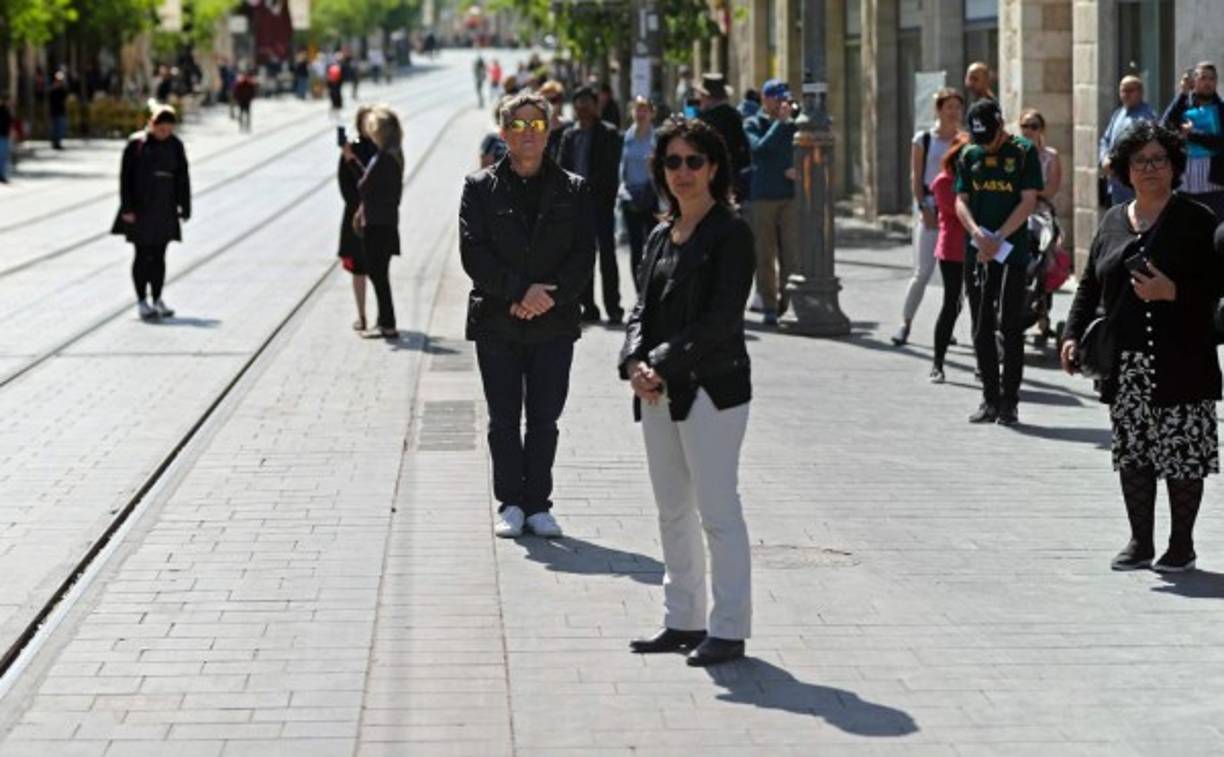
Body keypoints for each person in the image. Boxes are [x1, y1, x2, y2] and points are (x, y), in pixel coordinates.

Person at [618, 117, 756, 668]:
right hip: (657, 391)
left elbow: (722, 319)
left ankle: (728, 627)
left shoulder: (732, 233)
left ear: (714, 167)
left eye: (693, 162)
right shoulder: (658, 233)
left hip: (713, 391)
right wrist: (633, 361)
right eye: (672, 162)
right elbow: (638, 311)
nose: (682, 172)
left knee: (718, 511)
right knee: (672, 510)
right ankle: (683, 619)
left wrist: (659, 363)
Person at [1062, 120, 1221, 573]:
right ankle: (1139, 541)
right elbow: (1089, 284)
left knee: (1183, 452)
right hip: (1127, 362)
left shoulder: (1197, 221)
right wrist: (1072, 334)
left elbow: (1217, 291)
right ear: (1125, 171)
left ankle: (1182, 544)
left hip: (1184, 356)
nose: (1150, 168)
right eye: (1140, 161)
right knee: (1133, 450)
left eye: (1159, 160)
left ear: (1174, 167)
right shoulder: (1113, 221)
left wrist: (1173, 292)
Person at [459, 91, 596, 539]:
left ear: (549, 130)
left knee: (543, 417)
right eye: (517, 126)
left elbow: (582, 255)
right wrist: (519, 291)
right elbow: (473, 254)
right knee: (503, 418)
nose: (528, 134)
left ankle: (538, 503)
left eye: (536, 125)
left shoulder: (573, 189)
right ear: (504, 134)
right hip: (498, 320)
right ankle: (510, 502)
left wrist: (545, 298)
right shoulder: (479, 187)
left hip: (553, 322)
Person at [954, 99, 1042, 426]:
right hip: (978, 251)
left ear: (1001, 124)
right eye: (981, 138)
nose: (986, 143)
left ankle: (1009, 402)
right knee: (981, 325)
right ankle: (989, 398)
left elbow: (1028, 200)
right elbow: (960, 201)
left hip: (1011, 251)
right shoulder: (968, 154)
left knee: (1010, 324)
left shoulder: (1022, 152)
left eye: (990, 136)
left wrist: (1000, 237)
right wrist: (978, 235)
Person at [891, 87, 965, 345]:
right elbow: (916, 176)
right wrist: (924, 208)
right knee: (922, 272)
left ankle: (948, 327)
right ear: (939, 110)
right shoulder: (923, 139)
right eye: (949, 107)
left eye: (958, 107)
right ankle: (905, 323)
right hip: (932, 211)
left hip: (957, 216)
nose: (954, 112)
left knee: (956, 280)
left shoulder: (964, 141)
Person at [110, 105, 191, 321]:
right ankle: (141, 301)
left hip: (165, 208)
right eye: (161, 128)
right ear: (151, 124)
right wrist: (127, 208)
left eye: (168, 129)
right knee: (142, 254)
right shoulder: (136, 144)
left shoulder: (175, 145)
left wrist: (185, 206)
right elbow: (125, 178)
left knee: (159, 256)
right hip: (140, 209)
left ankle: (157, 298)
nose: (164, 133)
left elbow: (182, 176)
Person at [560, 85, 624, 324]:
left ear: (596, 106)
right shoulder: (570, 135)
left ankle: (613, 307)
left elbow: (609, 170)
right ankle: (588, 306)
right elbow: (562, 168)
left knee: (607, 256)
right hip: (576, 207)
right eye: (579, 106)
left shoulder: (609, 133)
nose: (583, 111)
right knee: (583, 258)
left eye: (587, 105)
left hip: (601, 203)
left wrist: (588, 188)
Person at [342, 106, 404, 338]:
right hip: (386, 221)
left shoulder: (383, 157)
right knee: (380, 275)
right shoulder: (395, 153)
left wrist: (351, 161)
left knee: (378, 275)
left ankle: (387, 324)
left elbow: (364, 185)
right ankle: (384, 321)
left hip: (377, 224)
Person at [744, 79, 798, 326]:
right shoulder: (753, 123)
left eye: (784, 99)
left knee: (790, 254)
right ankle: (768, 304)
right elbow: (761, 150)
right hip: (763, 196)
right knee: (765, 254)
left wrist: (797, 169)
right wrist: (779, 124)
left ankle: (786, 303)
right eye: (778, 99)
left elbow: (801, 151)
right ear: (765, 100)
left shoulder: (792, 124)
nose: (782, 104)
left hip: (788, 196)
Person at [928, 134, 971, 383]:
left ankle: (983, 365)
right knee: (952, 304)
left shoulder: (976, 181)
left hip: (976, 249)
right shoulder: (944, 181)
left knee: (980, 308)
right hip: (952, 250)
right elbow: (955, 211)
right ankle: (938, 363)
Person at [1161, 61, 1224, 219]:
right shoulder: (1183, 106)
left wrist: (1193, 134)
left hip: (1214, 186)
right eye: (1203, 78)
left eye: (1211, 79)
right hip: (1185, 184)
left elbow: (1220, 143)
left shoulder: (1221, 110)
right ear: (1194, 81)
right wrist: (1182, 93)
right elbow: (1163, 128)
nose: (1208, 83)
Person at [338, 105, 377, 332]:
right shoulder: (350, 149)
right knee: (359, 269)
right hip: (356, 217)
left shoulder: (381, 148)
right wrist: (359, 204)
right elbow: (344, 185)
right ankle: (362, 315)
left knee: (377, 270)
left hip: (375, 216)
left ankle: (383, 317)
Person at [1100, 76, 1157, 207]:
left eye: (1130, 90)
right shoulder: (1118, 114)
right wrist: (1104, 158)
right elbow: (1105, 140)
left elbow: (1144, 145)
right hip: (1115, 185)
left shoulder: (1147, 116)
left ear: (1140, 92)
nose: (1126, 94)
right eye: (1123, 91)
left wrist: (1118, 161)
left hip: (1135, 184)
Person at [619, 95, 657, 288]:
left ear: (652, 113)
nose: (640, 113)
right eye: (637, 109)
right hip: (631, 197)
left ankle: (652, 289)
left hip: (652, 197)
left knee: (654, 246)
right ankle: (638, 292)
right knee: (635, 247)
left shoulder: (656, 137)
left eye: (644, 109)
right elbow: (623, 168)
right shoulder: (628, 136)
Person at [696, 73, 751, 202]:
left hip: (709, 180)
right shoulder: (735, 116)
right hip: (732, 179)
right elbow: (745, 151)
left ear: (707, 97)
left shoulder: (704, 120)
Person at [1019, 108, 1062, 205]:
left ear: (1041, 129)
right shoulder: (1013, 154)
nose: (1029, 130)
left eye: (1034, 126)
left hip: (1041, 210)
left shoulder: (1051, 156)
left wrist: (1026, 192)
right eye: (1025, 126)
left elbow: (1051, 190)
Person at [538, 80, 570, 161]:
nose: (550, 105)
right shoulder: (535, 128)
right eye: (546, 101)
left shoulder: (569, 126)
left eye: (554, 100)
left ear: (560, 101)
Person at [48, 72, 69, 150]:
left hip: (61, 112)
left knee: (61, 128)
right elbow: (50, 98)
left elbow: (65, 95)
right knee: (54, 128)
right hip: (54, 112)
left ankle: (58, 143)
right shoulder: (52, 90)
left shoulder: (63, 89)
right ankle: (54, 143)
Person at [0, 93, 11, 183]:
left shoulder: (7, 110)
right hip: (2, 136)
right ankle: (2, 175)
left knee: (3, 157)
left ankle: (2, 175)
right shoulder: (3, 110)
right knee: (2, 157)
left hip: (5, 135)